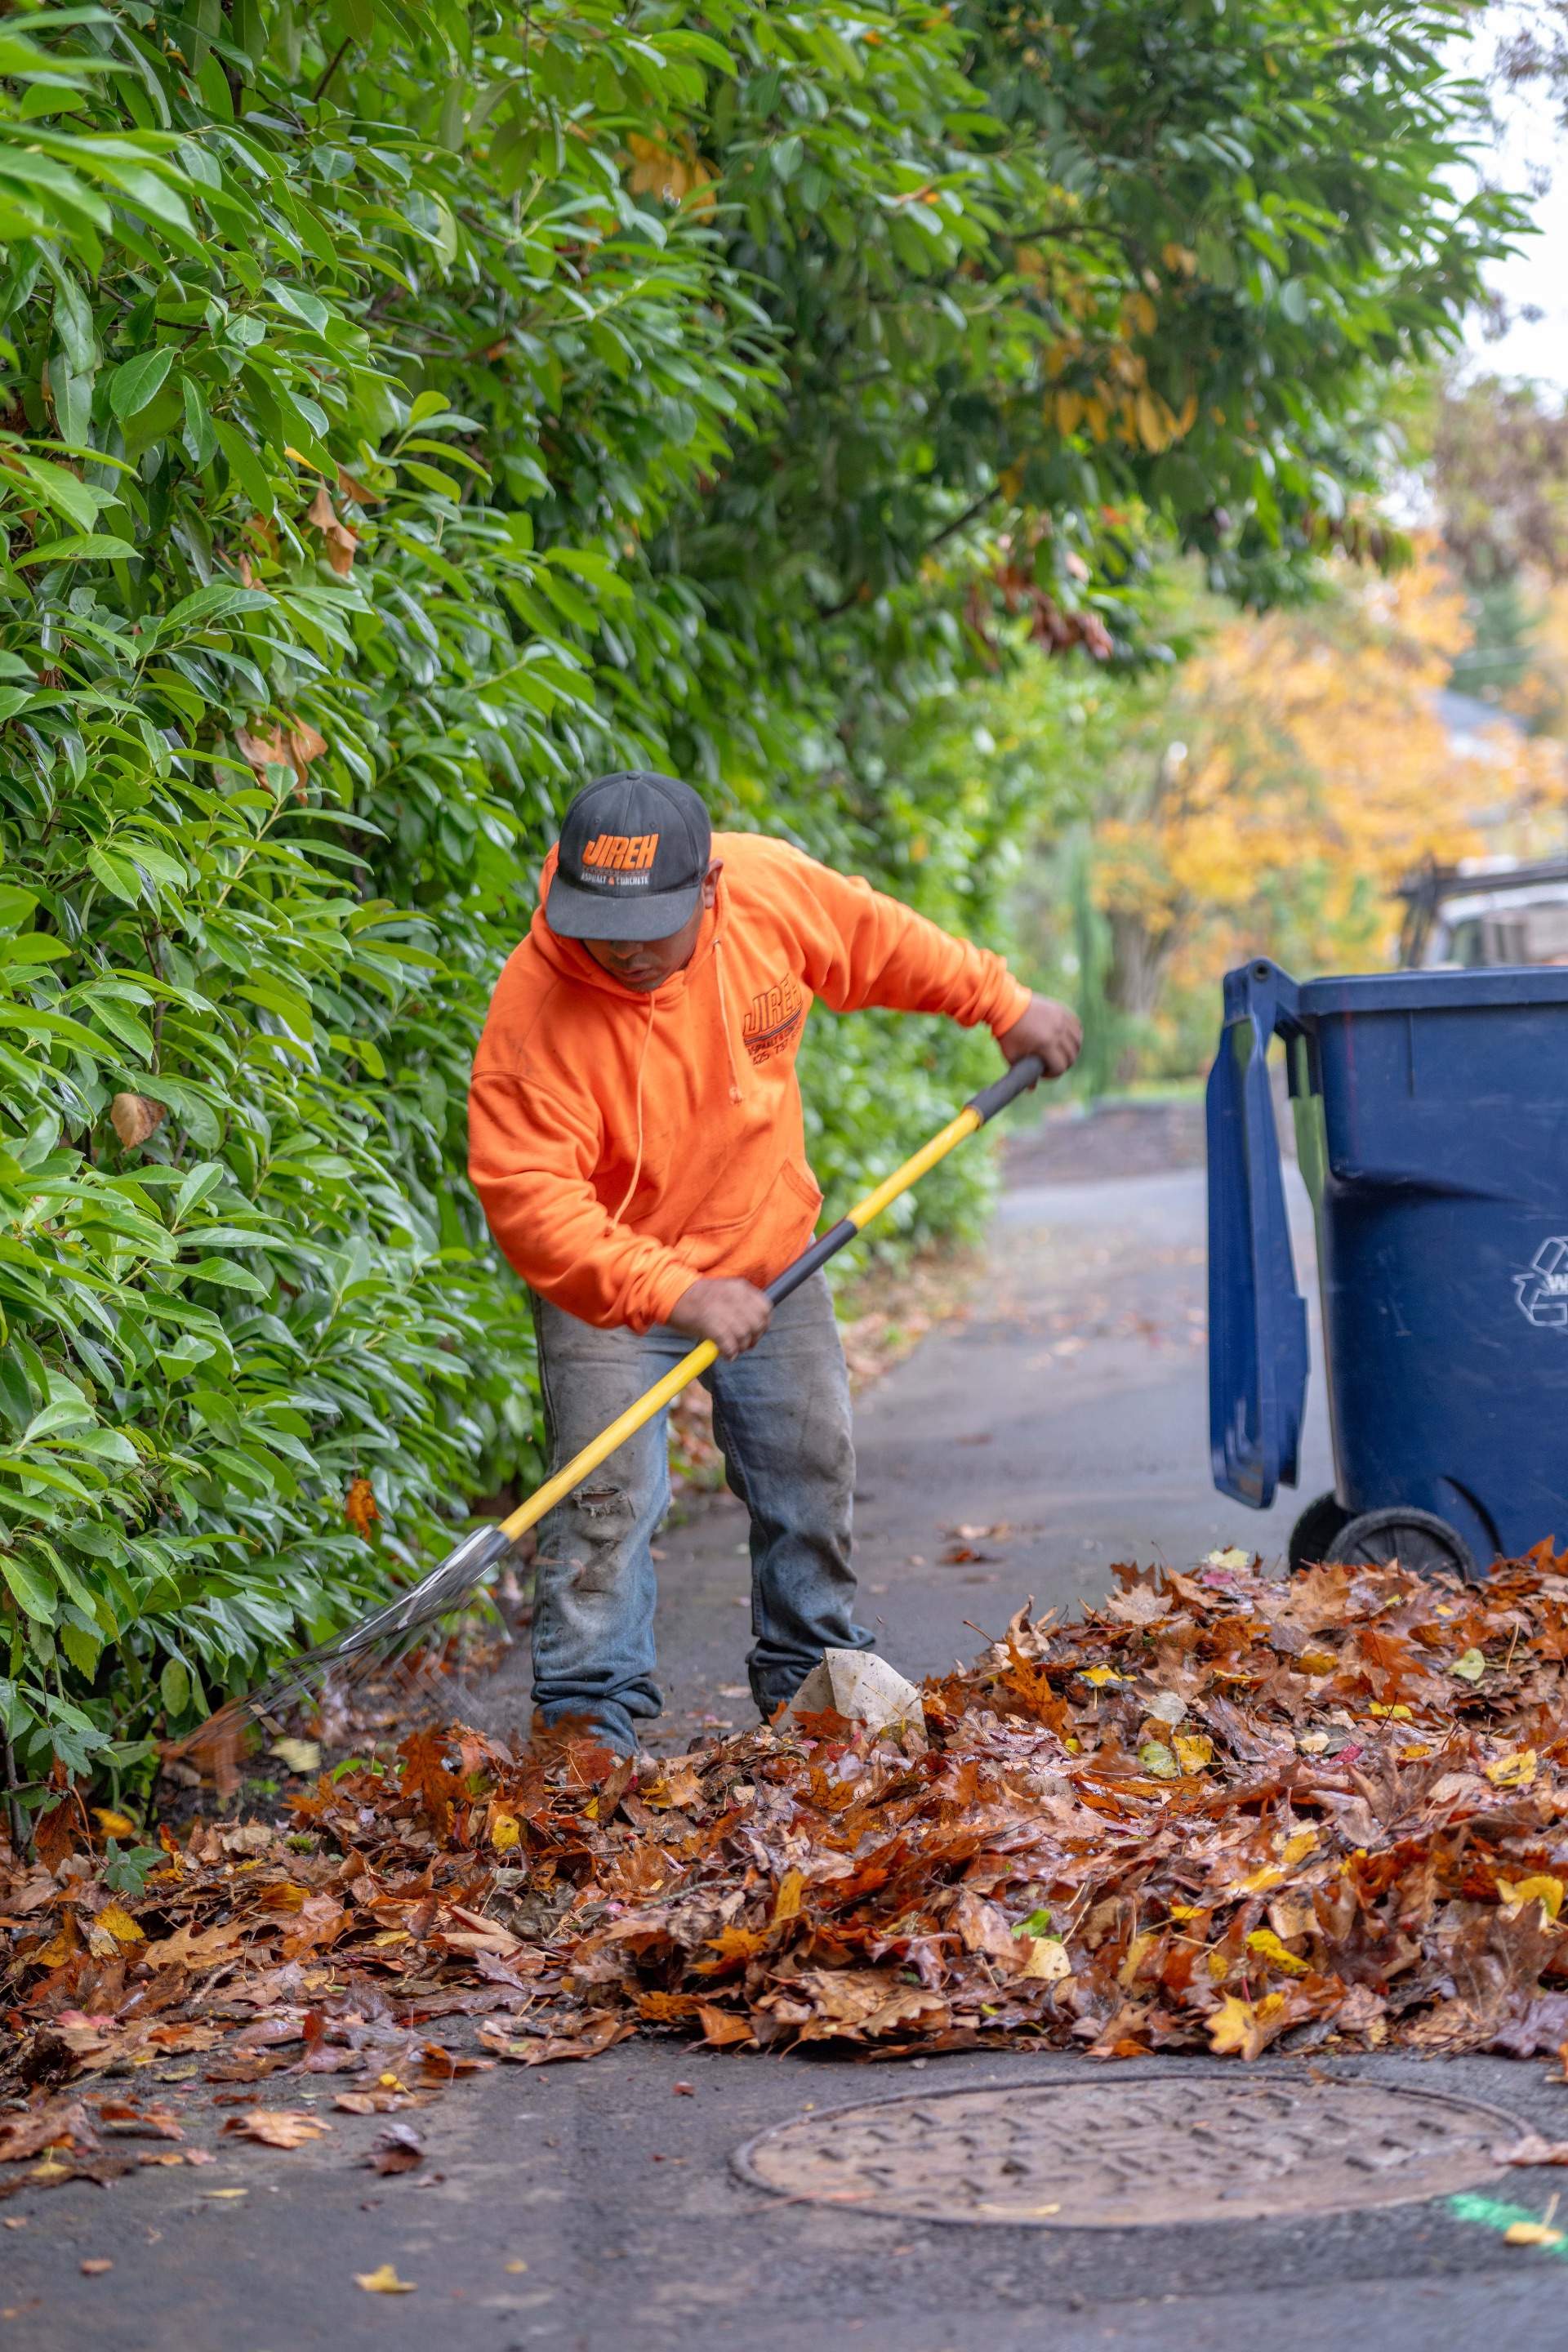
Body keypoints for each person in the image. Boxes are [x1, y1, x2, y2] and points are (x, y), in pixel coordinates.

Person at [468, 771, 1081, 1753]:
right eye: (601, 926)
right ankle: (587, 1722)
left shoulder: (767, 891)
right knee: (603, 1502)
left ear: (707, 890)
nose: (622, 950)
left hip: (765, 1255)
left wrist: (1002, 1001)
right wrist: (673, 1291)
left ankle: (815, 1684)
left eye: (649, 928)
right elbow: (533, 1204)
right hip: (609, 1288)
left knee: (809, 1471)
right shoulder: (534, 1013)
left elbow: (882, 942)